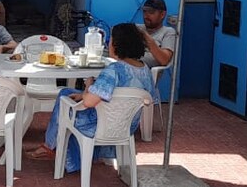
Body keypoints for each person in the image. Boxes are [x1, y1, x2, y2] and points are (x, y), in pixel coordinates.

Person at [26, 23, 159, 172]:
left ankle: (54, 149)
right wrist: (84, 94)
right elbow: (143, 98)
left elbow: (89, 102)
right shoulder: (145, 70)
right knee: (68, 92)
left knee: (64, 98)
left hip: (98, 125)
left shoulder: (114, 70)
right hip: (125, 127)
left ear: (115, 45)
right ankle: (65, 150)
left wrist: (89, 86)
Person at [138, 0, 176, 68]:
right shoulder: (137, 28)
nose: (146, 15)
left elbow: (164, 60)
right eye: (144, 11)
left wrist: (145, 36)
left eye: (151, 12)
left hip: (147, 73)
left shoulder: (168, 32)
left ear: (162, 14)